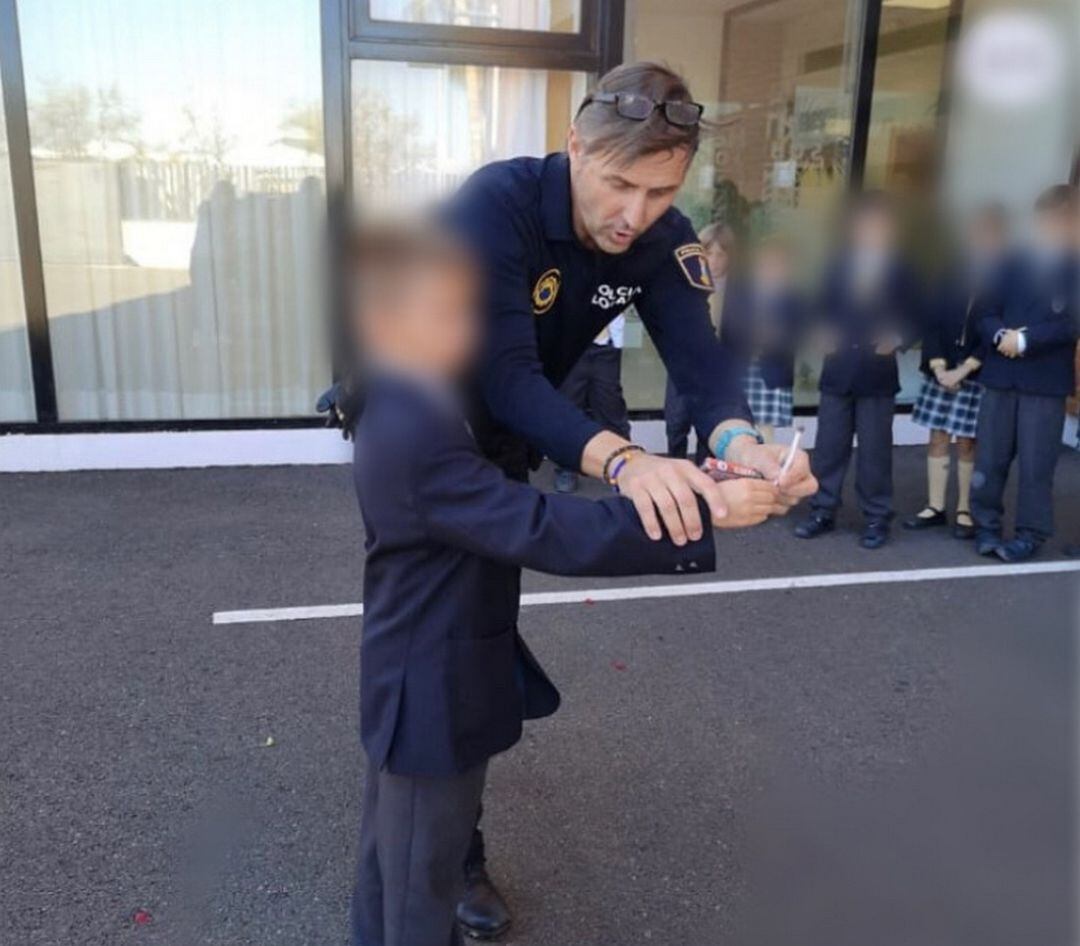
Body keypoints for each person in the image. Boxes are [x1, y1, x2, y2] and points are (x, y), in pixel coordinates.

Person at [324, 61, 817, 938]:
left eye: (661, 190)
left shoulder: (663, 238)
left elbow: (700, 365)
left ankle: (445, 843)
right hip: (440, 438)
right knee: (436, 639)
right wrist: (631, 465)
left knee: (474, 643)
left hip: (506, 446)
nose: (637, 212)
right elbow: (507, 375)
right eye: (619, 182)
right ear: (575, 147)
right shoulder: (495, 207)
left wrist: (746, 448)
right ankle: (422, 859)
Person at [795, 192, 922, 549]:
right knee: (829, 448)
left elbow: (920, 316)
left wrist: (897, 336)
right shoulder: (838, 264)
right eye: (865, 224)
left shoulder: (904, 268)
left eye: (879, 224)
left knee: (875, 452)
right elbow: (817, 308)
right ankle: (822, 510)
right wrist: (819, 330)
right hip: (837, 371)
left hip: (878, 373)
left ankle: (877, 517)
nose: (872, 231)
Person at [970, 184, 1079, 563]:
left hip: (1044, 383)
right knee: (990, 457)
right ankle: (984, 524)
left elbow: (1072, 324)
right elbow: (983, 311)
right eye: (1044, 219)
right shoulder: (1010, 261)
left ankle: (1030, 534)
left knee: (1037, 464)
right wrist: (1000, 334)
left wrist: (1026, 340)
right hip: (1000, 376)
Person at [903, 205, 1009, 540]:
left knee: (967, 443)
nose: (982, 238)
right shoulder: (952, 269)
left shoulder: (1007, 277)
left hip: (974, 371)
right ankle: (935, 507)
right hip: (942, 368)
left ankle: (965, 508)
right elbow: (931, 320)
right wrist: (938, 367)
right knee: (936, 437)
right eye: (977, 231)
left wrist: (963, 370)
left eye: (990, 232)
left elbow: (999, 330)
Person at [719, 235, 805, 443]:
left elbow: (800, 334)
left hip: (772, 372)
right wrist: (749, 333)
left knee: (765, 435)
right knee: (736, 427)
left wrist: (778, 336)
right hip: (740, 371)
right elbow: (727, 331)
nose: (771, 268)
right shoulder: (740, 293)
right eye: (765, 262)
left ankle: (763, 474)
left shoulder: (794, 298)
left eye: (777, 263)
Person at [664, 221, 736, 459]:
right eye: (708, 252)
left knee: (710, 430)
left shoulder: (738, 292)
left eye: (721, 254)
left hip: (718, 372)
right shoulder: (686, 285)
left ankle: (705, 482)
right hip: (683, 369)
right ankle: (677, 470)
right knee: (676, 425)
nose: (714, 260)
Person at [553, 313, 632, 493]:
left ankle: (625, 464)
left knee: (611, 406)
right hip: (572, 348)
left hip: (607, 346)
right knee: (568, 406)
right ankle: (566, 469)